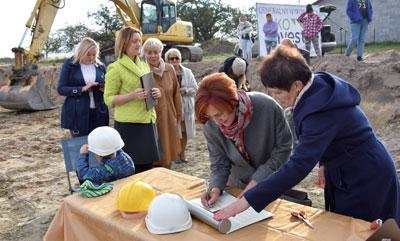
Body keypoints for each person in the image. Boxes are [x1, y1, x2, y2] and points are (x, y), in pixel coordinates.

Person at [213, 45, 400, 225]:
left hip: (366, 175)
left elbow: (299, 165)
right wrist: (324, 161)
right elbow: (334, 135)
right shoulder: (314, 87)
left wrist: (249, 200)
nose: (276, 98)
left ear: (296, 84)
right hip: (349, 166)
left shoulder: (319, 110)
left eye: (278, 92)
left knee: (365, 230)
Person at [195, 73, 292, 207]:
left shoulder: (267, 107)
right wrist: (215, 188)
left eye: (219, 114)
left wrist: (258, 180)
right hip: (236, 187)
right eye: (210, 116)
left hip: (271, 182)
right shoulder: (210, 124)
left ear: (232, 102)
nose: (217, 121)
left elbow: (284, 149)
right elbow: (219, 162)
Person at [104, 27, 162, 173]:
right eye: (134, 41)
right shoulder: (115, 68)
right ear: (124, 43)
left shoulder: (144, 65)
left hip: (148, 121)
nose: (138, 44)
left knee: (148, 167)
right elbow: (108, 99)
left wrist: (155, 93)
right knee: (132, 170)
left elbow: (148, 89)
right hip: (129, 126)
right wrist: (131, 95)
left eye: (139, 41)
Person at [142, 38, 182, 168]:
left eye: (156, 52)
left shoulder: (170, 69)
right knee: (155, 155)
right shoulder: (142, 70)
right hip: (152, 118)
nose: (153, 56)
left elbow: (176, 94)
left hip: (169, 117)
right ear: (145, 54)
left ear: (161, 52)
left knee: (169, 152)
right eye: (149, 52)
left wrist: (178, 116)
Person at [58, 37, 109, 137]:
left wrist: (104, 88)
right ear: (81, 52)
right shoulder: (69, 64)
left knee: (99, 146)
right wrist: (82, 89)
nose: (91, 57)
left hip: (99, 113)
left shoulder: (101, 66)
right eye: (88, 54)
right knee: (81, 147)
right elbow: (61, 89)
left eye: (94, 55)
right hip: (78, 114)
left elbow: (108, 86)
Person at [165, 48, 198, 163]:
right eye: (171, 58)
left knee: (184, 132)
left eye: (176, 58)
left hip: (186, 107)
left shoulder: (188, 72)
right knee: (175, 132)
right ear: (167, 60)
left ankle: (182, 153)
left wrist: (185, 90)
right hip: (172, 107)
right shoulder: (165, 73)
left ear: (180, 59)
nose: (174, 60)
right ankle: (176, 154)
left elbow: (195, 89)